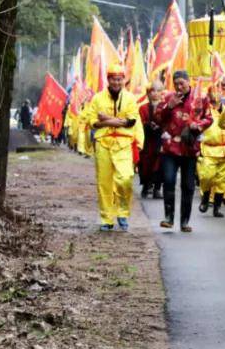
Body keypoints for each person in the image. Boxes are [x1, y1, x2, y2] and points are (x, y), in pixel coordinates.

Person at [82, 66, 144, 231]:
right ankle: (106, 218)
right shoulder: (97, 99)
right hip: (103, 143)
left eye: (119, 79)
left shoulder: (130, 99)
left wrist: (107, 119)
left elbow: (132, 121)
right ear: (108, 80)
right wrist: (116, 121)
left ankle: (123, 212)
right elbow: (92, 121)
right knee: (104, 183)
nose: (117, 82)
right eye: (113, 79)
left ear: (123, 80)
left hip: (124, 145)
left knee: (125, 179)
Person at [155, 70, 213, 232]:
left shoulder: (200, 99)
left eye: (182, 83)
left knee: (188, 186)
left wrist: (197, 126)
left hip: (189, 147)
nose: (179, 87)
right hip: (170, 147)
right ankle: (168, 217)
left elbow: (209, 118)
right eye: (176, 84)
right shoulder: (167, 98)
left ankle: (185, 221)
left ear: (188, 82)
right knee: (169, 180)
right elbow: (158, 117)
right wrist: (169, 106)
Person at [198, 87, 225, 218]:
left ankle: (217, 207)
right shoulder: (204, 110)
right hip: (209, 149)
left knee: (223, 181)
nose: (215, 95)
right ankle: (205, 197)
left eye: (218, 92)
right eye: (212, 92)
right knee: (206, 176)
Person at [138, 82, 165, 198]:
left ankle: (157, 188)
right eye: (153, 91)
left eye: (158, 91)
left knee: (160, 164)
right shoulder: (143, 108)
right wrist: (148, 125)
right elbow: (140, 123)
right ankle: (146, 185)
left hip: (161, 140)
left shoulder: (165, 107)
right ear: (148, 93)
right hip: (147, 140)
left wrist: (161, 126)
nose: (155, 93)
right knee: (145, 164)